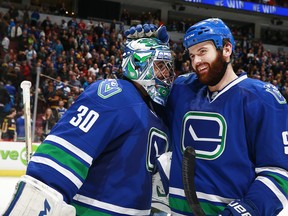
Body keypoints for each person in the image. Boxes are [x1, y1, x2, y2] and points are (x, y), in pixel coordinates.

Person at [3, 35, 175, 215]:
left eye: (168, 68)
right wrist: (41, 191)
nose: (167, 75)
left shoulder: (159, 113)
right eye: (160, 66)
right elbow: (63, 157)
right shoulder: (115, 95)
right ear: (138, 65)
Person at [164, 18, 288, 215]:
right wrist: (150, 49)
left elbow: (279, 174)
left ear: (227, 49)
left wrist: (246, 209)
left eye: (203, 51)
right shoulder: (182, 91)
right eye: (192, 55)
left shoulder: (262, 99)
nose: (196, 61)